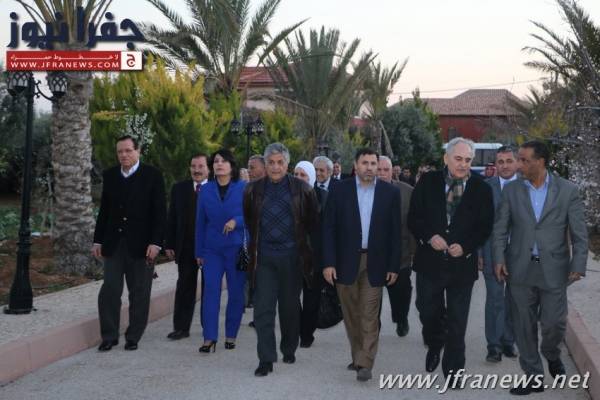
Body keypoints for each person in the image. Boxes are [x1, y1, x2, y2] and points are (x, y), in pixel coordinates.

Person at [493, 140, 588, 396]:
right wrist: (499, 258)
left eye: (524, 160)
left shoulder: (567, 191)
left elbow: (579, 233)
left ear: (540, 162)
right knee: (523, 325)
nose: (518, 165)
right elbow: (500, 228)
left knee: (554, 323)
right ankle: (533, 376)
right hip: (519, 269)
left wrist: (578, 263)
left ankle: (551, 354)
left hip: (554, 269)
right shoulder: (512, 190)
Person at [407, 137, 494, 380]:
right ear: (446, 158)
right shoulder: (428, 182)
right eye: (458, 159)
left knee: (457, 320)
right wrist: (429, 237)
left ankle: (454, 369)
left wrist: (466, 247)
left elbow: (485, 227)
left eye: (468, 160)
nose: (463, 164)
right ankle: (435, 342)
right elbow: (414, 218)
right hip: (429, 263)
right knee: (427, 310)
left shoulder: (482, 189)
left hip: (461, 267)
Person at [323, 148, 402, 382]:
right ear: (356, 166)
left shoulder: (390, 193)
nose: (369, 167)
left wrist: (393, 266)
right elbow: (328, 229)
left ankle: (366, 361)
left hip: (375, 262)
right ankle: (358, 354)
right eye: (365, 163)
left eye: (373, 163)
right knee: (351, 314)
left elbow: (395, 233)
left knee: (369, 313)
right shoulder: (339, 190)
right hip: (345, 261)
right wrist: (328, 263)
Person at [243, 143, 319, 377]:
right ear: (266, 165)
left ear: (287, 164)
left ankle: (289, 347)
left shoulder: (303, 190)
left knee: (289, 309)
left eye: (280, 163)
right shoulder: (252, 190)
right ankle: (266, 359)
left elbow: (312, 224)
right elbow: (250, 222)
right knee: (263, 309)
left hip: (292, 259)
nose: (275, 167)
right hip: (264, 258)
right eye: (271, 163)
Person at [93, 135, 166, 352]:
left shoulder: (152, 175)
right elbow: (104, 211)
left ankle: (133, 336)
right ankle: (109, 336)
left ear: (138, 151)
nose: (123, 155)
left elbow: (160, 213)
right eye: (120, 152)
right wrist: (98, 240)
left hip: (142, 246)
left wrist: (156, 243)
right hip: (114, 244)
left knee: (140, 292)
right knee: (109, 290)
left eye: (128, 151)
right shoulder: (110, 175)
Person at [195, 149, 247, 352]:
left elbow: (253, 217)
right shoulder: (205, 190)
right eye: (216, 161)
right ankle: (209, 338)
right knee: (210, 291)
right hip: (212, 250)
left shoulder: (243, 187)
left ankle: (231, 334)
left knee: (236, 293)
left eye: (224, 161)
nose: (219, 164)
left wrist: (237, 221)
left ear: (232, 166)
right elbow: (200, 222)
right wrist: (199, 252)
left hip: (236, 249)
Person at [478, 146, 519, 363]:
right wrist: (479, 252)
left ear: (517, 162)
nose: (504, 166)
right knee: (495, 299)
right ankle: (493, 346)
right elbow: (480, 223)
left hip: (519, 254)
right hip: (491, 252)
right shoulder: (486, 188)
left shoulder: (527, 186)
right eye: (500, 162)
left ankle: (508, 341)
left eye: (509, 161)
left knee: (513, 299)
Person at [165, 154, 209, 341]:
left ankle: (209, 327)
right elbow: (172, 217)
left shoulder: (216, 188)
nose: (196, 170)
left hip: (209, 249)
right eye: (193, 166)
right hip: (186, 247)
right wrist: (169, 243)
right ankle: (181, 328)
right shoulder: (179, 189)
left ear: (208, 168)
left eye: (200, 166)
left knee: (209, 288)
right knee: (184, 287)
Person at [377, 156, 415, 337]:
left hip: (402, 254)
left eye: (386, 170)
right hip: (374, 255)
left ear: (392, 171)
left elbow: (413, 224)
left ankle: (401, 318)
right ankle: (373, 324)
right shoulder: (365, 191)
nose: (382, 174)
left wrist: (414, 252)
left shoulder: (407, 192)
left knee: (402, 292)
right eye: (379, 170)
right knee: (372, 294)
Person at [294, 161, 327, 348]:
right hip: (291, 256)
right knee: (290, 297)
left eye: (303, 175)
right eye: (296, 174)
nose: (299, 178)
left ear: (311, 177)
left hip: (315, 257)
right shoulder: (286, 197)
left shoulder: (323, 197)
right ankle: (300, 326)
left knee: (312, 298)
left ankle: (307, 333)